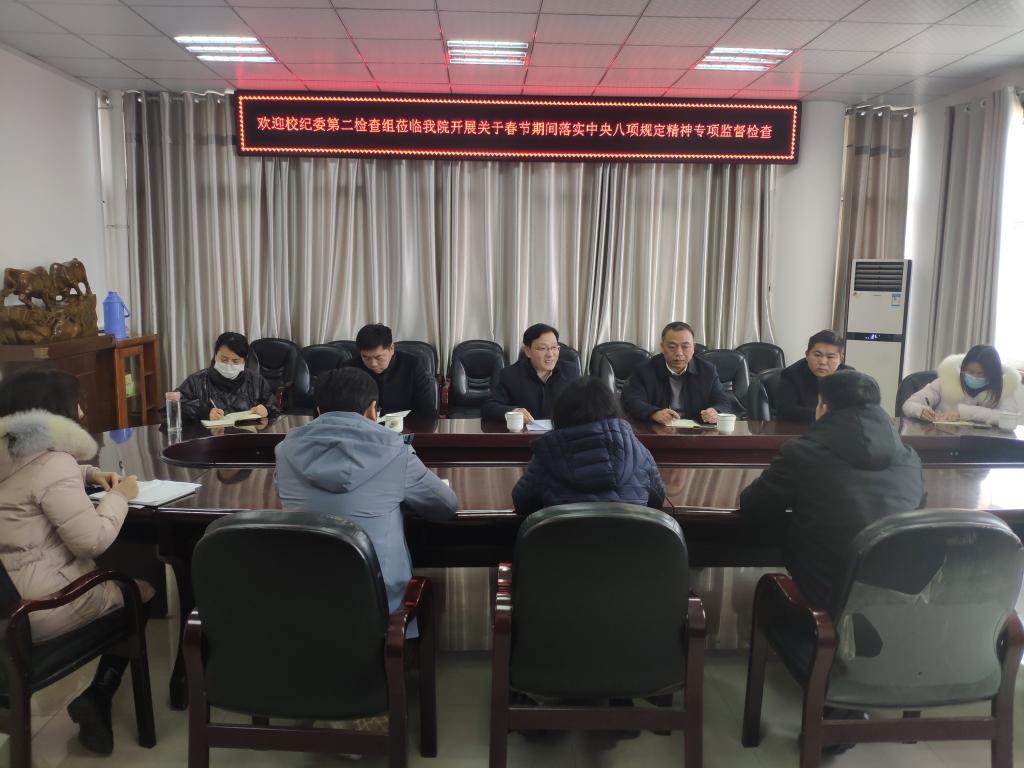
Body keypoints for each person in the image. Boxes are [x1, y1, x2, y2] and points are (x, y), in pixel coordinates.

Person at [0, 368, 151, 756]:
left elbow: (29, 475)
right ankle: (99, 694)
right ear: (56, 411)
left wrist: (88, 473)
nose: (82, 411)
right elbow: (92, 542)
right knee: (140, 591)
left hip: (6, 604)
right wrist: (121, 496)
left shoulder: (11, 452)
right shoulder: (53, 464)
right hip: (37, 610)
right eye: (77, 403)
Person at [275, 367, 456, 624]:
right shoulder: (396, 451)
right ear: (372, 410)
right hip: (379, 602)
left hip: (304, 593)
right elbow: (445, 507)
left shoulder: (284, 451)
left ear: (318, 409)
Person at [739, 370, 926, 611]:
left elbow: (753, 506)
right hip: (899, 602)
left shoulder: (802, 454)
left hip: (828, 597)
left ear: (823, 408)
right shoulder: (910, 458)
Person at [512, 376, 665, 516]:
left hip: (564, 537)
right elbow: (657, 503)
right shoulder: (638, 452)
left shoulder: (549, 454)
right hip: (629, 537)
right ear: (612, 410)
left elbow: (522, 504)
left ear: (561, 413)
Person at [621, 321, 731, 424]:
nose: (679, 353)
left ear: (693, 347)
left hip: (696, 430)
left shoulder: (707, 371)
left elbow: (723, 401)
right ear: (662, 347)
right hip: (659, 429)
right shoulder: (644, 370)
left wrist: (715, 411)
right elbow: (631, 401)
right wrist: (654, 413)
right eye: (672, 347)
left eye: (685, 347)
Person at [481, 323, 579, 423]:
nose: (550, 354)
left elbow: (582, 405)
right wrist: (514, 412)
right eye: (543, 348)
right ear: (528, 351)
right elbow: (488, 407)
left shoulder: (570, 371)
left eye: (554, 347)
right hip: (525, 432)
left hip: (561, 431)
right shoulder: (510, 375)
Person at [902, 345, 1020, 426]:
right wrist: (920, 411)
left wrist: (963, 412)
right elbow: (908, 404)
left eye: (981, 374)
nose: (974, 377)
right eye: (970, 372)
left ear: (992, 376)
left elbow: (1010, 419)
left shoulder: (1004, 388)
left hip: (985, 445)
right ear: (963, 368)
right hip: (943, 441)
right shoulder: (947, 381)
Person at [176, 331, 279, 423]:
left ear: (244, 360)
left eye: (235, 361)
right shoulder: (196, 381)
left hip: (247, 436)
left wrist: (266, 409)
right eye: (224, 359)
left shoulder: (256, 381)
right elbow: (174, 407)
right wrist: (203, 412)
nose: (229, 364)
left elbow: (274, 407)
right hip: (209, 437)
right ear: (215, 355)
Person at [344, 323, 438, 420]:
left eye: (378, 357)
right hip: (361, 426)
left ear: (391, 348)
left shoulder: (413, 366)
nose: (373, 364)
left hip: (405, 425)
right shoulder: (349, 369)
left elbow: (427, 411)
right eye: (366, 357)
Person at [776, 330, 852, 423]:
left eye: (830, 357)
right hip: (803, 428)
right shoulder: (791, 375)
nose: (822, 362)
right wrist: (827, 416)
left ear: (841, 359)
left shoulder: (849, 377)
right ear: (807, 355)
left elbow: (858, 409)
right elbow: (785, 411)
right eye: (817, 355)